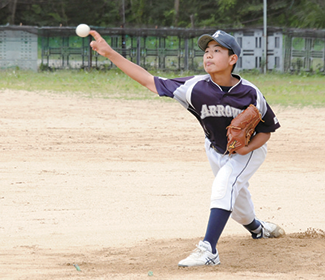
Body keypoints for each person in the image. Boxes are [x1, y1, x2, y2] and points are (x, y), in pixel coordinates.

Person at [89, 29, 285, 267]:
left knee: (224, 186)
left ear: (232, 59)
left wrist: (247, 149)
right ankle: (257, 228)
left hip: (248, 151)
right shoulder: (195, 88)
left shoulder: (250, 93)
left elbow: (266, 129)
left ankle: (208, 250)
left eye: (217, 50)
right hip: (215, 149)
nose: (209, 56)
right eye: (206, 51)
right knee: (237, 206)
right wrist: (110, 54)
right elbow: (149, 81)